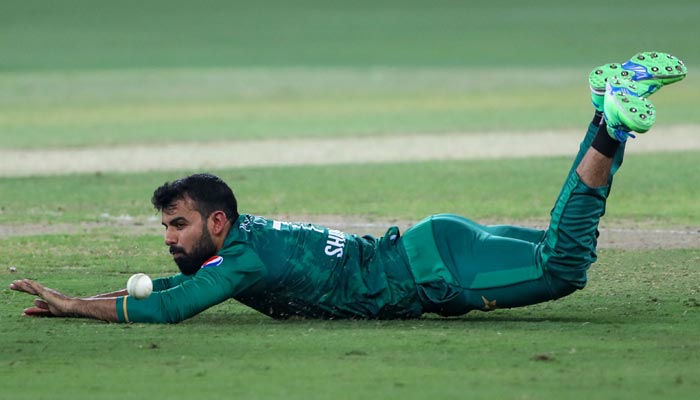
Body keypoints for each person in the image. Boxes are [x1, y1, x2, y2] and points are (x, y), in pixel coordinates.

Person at [10, 51, 687, 323]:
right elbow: (165, 290)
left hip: (433, 270)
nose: (168, 239)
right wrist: (76, 298)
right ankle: (607, 110)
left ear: (216, 223)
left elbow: (166, 308)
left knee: (564, 264)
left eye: (177, 225)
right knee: (565, 246)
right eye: (164, 228)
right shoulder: (239, 245)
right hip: (429, 243)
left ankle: (612, 119)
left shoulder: (237, 261)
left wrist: (75, 308)